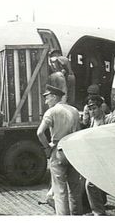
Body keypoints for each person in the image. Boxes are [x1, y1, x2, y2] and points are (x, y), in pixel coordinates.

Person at [37, 84, 82, 215]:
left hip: (58, 151)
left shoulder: (51, 112)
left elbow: (40, 133)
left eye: (47, 98)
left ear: (54, 97)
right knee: (75, 187)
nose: (46, 102)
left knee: (60, 190)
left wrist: (47, 148)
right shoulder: (74, 110)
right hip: (73, 150)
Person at [85, 95, 115, 216]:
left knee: (90, 184)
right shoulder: (93, 120)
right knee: (93, 184)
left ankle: (99, 213)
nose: (92, 111)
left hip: (106, 158)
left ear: (101, 108)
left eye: (94, 108)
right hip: (96, 157)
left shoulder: (107, 119)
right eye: (90, 109)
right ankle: (99, 209)